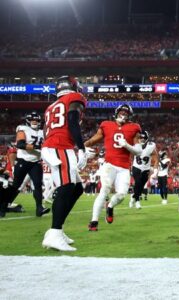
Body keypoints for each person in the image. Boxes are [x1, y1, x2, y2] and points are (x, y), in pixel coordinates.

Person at [41, 76, 93, 251]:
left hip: (54, 145)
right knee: (66, 187)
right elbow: (72, 120)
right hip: (60, 146)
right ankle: (54, 232)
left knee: (76, 188)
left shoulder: (51, 106)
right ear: (74, 86)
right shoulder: (75, 98)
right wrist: (82, 148)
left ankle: (57, 229)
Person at [85, 104, 141, 231]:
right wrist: (82, 146)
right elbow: (95, 138)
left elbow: (138, 151)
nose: (123, 115)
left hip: (124, 167)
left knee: (121, 195)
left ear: (130, 116)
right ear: (116, 113)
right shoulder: (106, 124)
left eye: (126, 113)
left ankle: (109, 207)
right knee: (104, 190)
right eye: (122, 112)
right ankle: (94, 221)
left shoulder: (134, 127)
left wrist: (126, 145)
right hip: (109, 164)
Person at [1, 112, 50, 218]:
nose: (35, 122)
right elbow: (20, 144)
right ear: (28, 121)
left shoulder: (42, 132)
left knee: (37, 186)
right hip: (23, 161)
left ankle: (39, 208)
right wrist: (36, 146)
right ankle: (3, 205)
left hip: (36, 162)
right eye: (33, 120)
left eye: (37, 120)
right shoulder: (23, 129)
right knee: (15, 186)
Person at [129, 130, 158, 209]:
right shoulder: (135, 144)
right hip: (136, 167)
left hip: (146, 168)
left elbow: (156, 157)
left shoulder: (151, 146)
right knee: (137, 183)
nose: (141, 139)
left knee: (141, 187)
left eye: (143, 138)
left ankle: (133, 196)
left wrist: (155, 170)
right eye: (140, 138)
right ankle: (137, 201)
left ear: (147, 138)